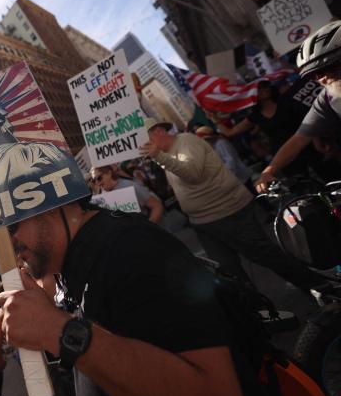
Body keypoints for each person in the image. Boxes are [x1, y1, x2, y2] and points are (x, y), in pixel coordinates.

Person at [0, 202, 262, 396]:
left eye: (10, 228)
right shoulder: (78, 263)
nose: (5, 246)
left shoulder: (131, 249)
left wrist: (56, 329)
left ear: (48, 202)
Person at [140, 119, 331, 295]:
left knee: (267, 256)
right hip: (203, 222)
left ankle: (322, 289)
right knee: (229, 274)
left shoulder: (186, 141)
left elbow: (193, 174)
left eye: (145, 137)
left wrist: (159, 157)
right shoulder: (166, 153)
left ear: (158, 131)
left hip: (227, 212)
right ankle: (260, 315)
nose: (144, 144)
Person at [256, 21, 341, 192]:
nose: (320, 79)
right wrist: (269, 171)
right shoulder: (327, 99)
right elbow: (300, 138)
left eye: (325, 69)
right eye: (313, 75)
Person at [90, 165, 164, 224]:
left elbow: (157, 206)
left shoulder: (128, 186)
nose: (97, 183)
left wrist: (147, 228)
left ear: (109, 173)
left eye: (99, 178)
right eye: (94, 181)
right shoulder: (103, 197)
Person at [195, 126, 254, 190]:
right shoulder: (213, 147)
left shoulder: (221, 144)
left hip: (241, 176)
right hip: (235, 179)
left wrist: (225, 176)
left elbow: (231, 161)